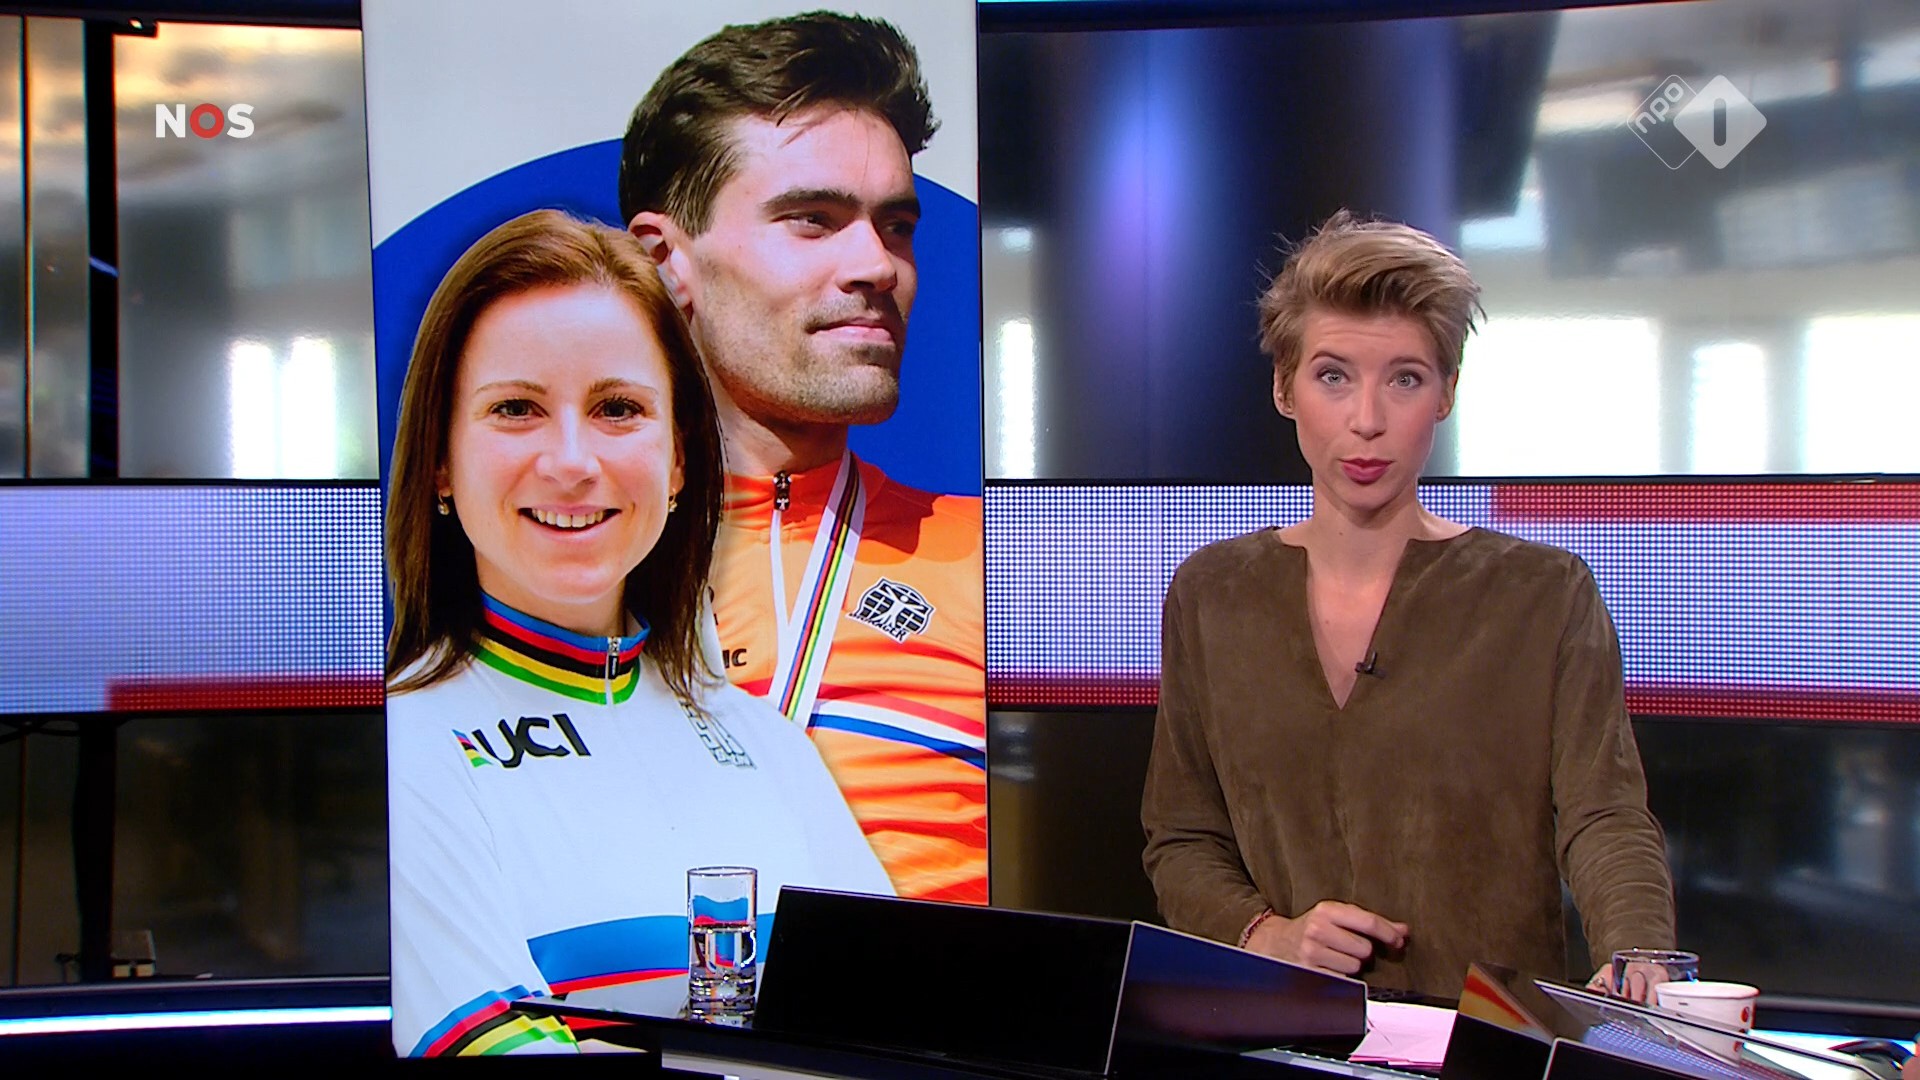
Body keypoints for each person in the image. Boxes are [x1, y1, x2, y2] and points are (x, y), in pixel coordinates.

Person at [384, 209, 891, 1057]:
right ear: (440, 459)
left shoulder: (767, 744)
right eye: (516, 408)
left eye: (618, 408)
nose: (572, 462)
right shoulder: (404, 745)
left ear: (679, 459)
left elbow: (900, 1030)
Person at [1139, 210, 1677, 1000]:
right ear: (1284, 387)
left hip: (1485, 1039)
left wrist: (1637, 956)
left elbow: (1605, 816)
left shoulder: (1541, 593)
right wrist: (1267, 934)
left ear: (1446, 393)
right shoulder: (1214, 593)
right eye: (1333, 377)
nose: (1367, 420)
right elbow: (1183, 837)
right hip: (1284, 1035)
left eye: (1405, 379)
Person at [620, 12, 986, 904]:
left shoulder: (1005, 565)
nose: (877, 266)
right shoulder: (568, 567)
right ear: (666, 261)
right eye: (813, 221)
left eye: (895, 227)